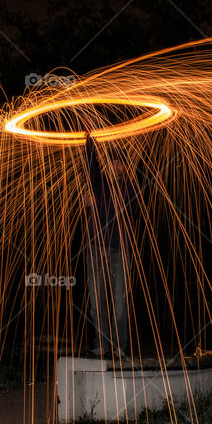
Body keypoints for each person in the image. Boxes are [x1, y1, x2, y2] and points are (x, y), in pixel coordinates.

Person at [82, 131, 138, 359]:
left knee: (120, 305)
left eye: (119, 163)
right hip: (95, 252)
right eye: (112, 162)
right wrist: (90, 136)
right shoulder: (99, 183)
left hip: (120, 254)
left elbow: (132, 215)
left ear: (125, 167)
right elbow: (89, 161)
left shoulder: (131, 189)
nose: (115, 166)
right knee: (97, 305)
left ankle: (118, 347)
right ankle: (101, 346)